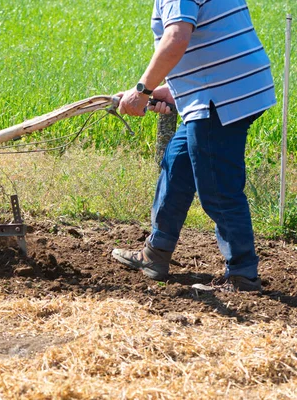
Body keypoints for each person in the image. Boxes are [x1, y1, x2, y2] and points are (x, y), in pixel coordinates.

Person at [111, 0, 276, 292]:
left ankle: (242, 275)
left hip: (220, 98)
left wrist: (142, 90)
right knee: (177, 162)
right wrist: (174, 91)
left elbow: (177, 38)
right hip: (221, 90)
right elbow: (212, 40)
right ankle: (156, 254)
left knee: (217, 188)